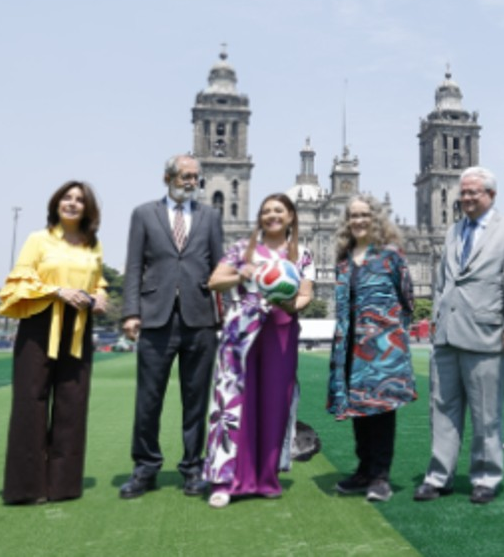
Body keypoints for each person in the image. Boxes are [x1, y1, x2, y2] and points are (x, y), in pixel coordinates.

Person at [414, 166, 504, 505]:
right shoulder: (454, 231)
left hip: (486, 333)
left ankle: (485, 477)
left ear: (491, 195)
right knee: (441, 409)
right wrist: (435, 318)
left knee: (486, 412)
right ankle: (439, 476)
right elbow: (442, 280)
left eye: (473, 192)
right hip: (446, 334)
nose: (465, 198)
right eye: (463, 192)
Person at [119, 154, 224, 499]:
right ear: (167, 178)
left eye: (195, 177)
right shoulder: (143, 214)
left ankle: (193, 468)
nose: (191, 182)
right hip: (155, 317)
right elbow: (134, 266)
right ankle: (145, 468)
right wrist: (131, 312)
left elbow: (220, 268)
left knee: (196, 400)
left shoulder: (210, 217)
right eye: (184, 176)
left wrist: (224, 315)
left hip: (200, 319)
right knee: (148, 399)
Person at [0, 180, 108, 505]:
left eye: (79, 199)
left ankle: (63, 485)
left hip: (79, 326)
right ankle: (27, 488)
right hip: (40, 322)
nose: (72, 203)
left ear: (87, 209)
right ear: (56, 204)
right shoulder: (38, 239)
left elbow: (98, 281)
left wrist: (101, 296)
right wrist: (57, 291)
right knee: (30, 400)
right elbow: (20, 279)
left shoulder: (92, 245)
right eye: (66, 198)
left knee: (73, 402)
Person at [204, 193, 314, 508]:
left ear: (291, 216)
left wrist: (290, 304)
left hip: (281, 330)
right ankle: (225, 481)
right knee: (231, 403)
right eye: (266, 211)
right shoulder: (242, 249)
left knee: (274, 404)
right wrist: (241, 273)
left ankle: (266, 479)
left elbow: (305, 295)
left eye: (279, 210)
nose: (272, 215)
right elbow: (214, 281)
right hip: (240, 331)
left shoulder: (302, 255)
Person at [327, 195, 418, 503]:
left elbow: (408, 299)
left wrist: (389, 333)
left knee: (381, 409)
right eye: (353, 215)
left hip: (382, 346)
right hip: (350, 344)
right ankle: (364, 470)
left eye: (364, 215)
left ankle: (380, 476)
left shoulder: (390, 256)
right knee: (358, 406)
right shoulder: (344, 259)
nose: (359, 220)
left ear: (376, 218)